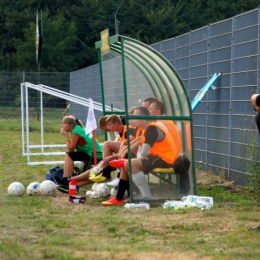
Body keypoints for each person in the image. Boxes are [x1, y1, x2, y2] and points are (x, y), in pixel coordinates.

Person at [102, 106, 179, 206]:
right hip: (157, 157)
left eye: (135, 117)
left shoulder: (152, 127)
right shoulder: (146, 128)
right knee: (127, 163)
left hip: (166, 159)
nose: (133, 119)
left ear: (143, 117)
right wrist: (123, 154)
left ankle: (147, 198)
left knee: (131, 164)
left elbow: (144, 152)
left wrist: (132, 158)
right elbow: (137, 144)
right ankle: (119, 198)